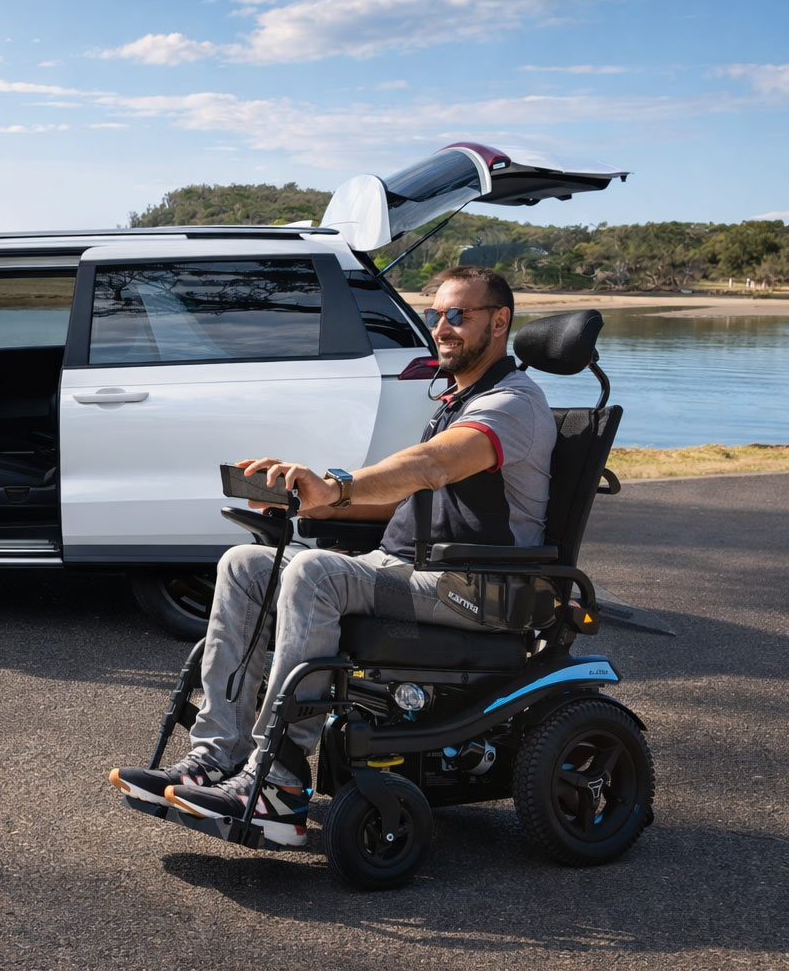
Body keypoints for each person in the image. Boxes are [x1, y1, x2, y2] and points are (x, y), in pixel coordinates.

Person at [108, 266, 557, 846]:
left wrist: (337, 485)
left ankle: (281, 781)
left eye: (457, 315)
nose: (441, 328)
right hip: (413, 569)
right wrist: (308, 499)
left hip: (476, 586)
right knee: (244, 565)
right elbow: (403, 499)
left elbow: (431, 466)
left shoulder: (511, 403)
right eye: (435, 315)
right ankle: (217, 756)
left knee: (316, 572)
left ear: (499, 322)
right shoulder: (459, 400)